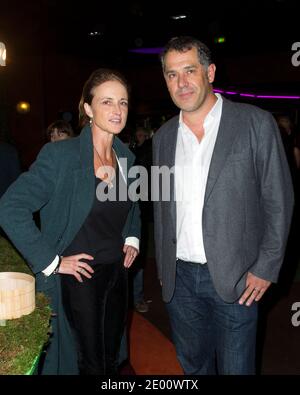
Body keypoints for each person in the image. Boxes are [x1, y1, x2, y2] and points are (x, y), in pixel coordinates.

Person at [152, 36, 294, 375]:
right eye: (172, 75)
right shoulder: (163, 137)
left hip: (238, 277)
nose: (181, 82)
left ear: (210, 72)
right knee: (194, 368)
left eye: (189, 71)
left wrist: (266, 266)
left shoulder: (255, 123)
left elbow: (279, 199)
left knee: (236, 369)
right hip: (180, 280)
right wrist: (162, 268)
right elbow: (161, 207)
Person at [0, 68, 141, 375]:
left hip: (116, 274)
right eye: (107, 102)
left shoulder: (127, 159)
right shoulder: (60, 156)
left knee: (110, 358)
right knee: (87, 363)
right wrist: (52, 261)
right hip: (78, 280)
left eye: (123, 102)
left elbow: (131, 206)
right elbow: (10, 207)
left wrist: (132, 238)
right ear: (88, 108)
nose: (117, 110)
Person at [130, 127, 152, 313]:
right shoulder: (131, 150)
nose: (138, 137)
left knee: (137, 252)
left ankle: (137, 297)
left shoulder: (148, 150)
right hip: (129, 200)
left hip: (141, 201)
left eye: (140, 134)